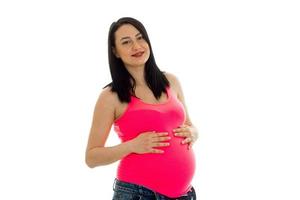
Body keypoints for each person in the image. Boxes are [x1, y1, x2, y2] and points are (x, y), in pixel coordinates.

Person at [85, 17, 199, 200]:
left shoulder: (171, 81)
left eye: (140, 38)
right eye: (126, 42)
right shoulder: (110, 96)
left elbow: (190, 126)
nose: (136, 46)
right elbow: (91, 157)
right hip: (138, 194)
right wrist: (132, 146)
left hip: (184, 194)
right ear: (115, 51)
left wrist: (194, 132)